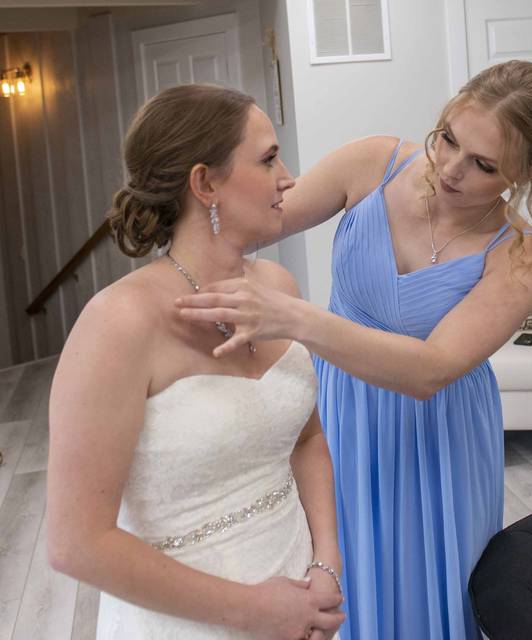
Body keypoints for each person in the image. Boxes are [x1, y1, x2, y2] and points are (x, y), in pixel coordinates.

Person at [174, 60, 532, 639]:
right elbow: (257, 221)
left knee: (434, 592)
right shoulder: (375, 163)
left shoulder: (524, 255)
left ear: (531, 170)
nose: (451, 169)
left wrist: (294, 317)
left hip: (440, 434)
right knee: (341, 574)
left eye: (484, 165)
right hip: (343, 413)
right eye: (448, 139)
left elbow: (430, 370)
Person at [46, 84, 345, 640]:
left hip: (300, 595)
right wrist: (256, 611)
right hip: (186, 620)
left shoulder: (278, 286)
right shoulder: (117, 324)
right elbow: (75, 544)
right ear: (205, 183)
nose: (289, 177)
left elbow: (306, 441)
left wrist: (327, 563)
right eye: (268, 158)